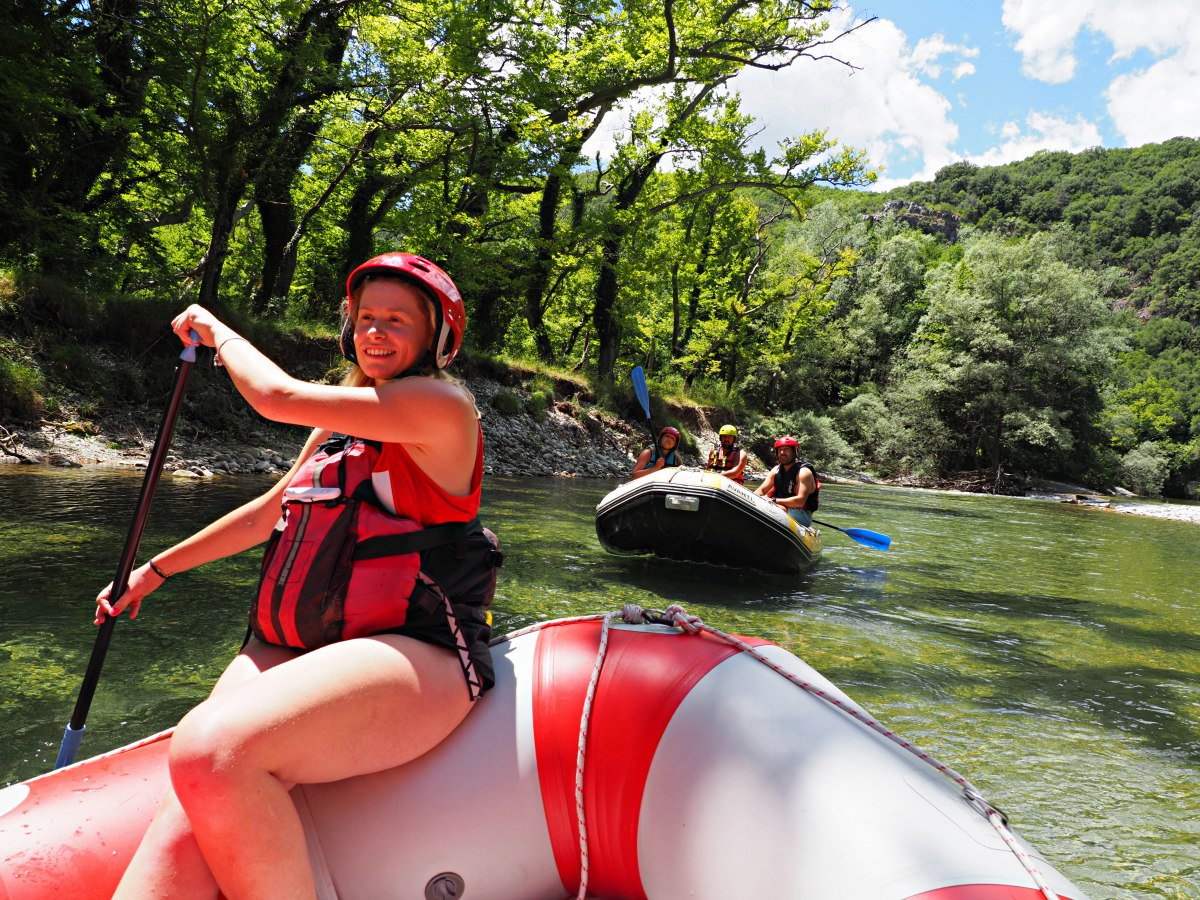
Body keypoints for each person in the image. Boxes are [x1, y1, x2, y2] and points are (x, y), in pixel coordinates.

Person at [93, 252, 500, 900]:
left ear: (437, 338)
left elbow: (274, 397)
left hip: (415, 648)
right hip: (297, 641)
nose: (375, 331)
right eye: (365, 318)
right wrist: (154, 571)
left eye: (397, 320)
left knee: (210, 749)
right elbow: (267, 513)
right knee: (187, 801)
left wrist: (215, 331)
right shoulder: (341, 421)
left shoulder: (441, 407)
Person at [754, 435, 820, 526]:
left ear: (795, 452)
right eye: (780, 450)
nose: (782, 452)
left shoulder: (804, 472)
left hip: (802, 514)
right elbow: (761, 490)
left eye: (786, 449)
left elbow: (800, 502)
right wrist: (753, 498)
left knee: (771, 507)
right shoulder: (776, 470)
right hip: (782, 506)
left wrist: (773, 500)